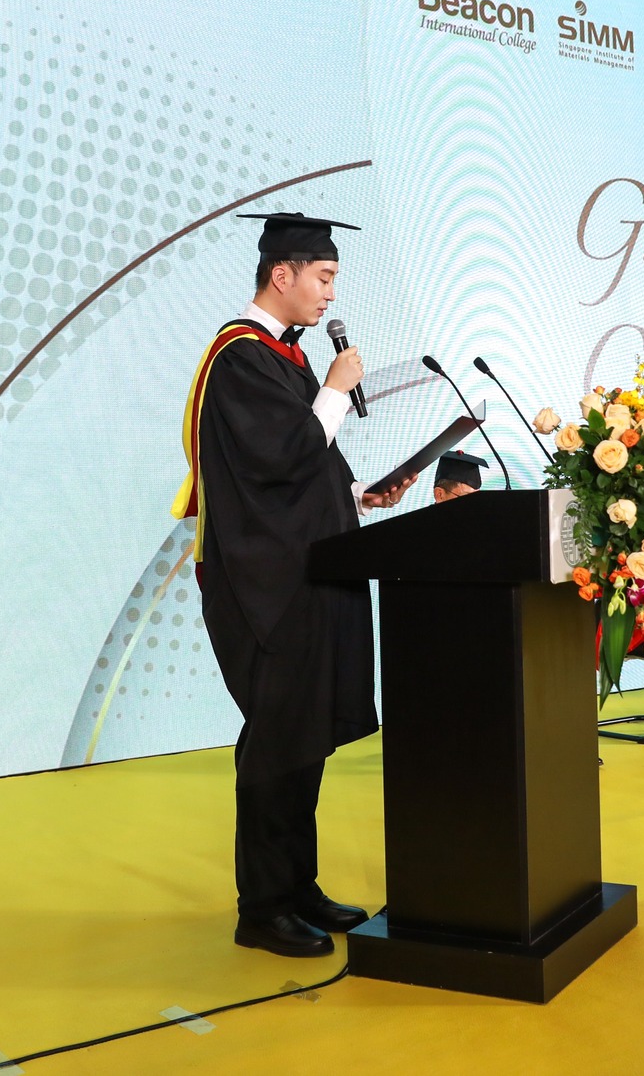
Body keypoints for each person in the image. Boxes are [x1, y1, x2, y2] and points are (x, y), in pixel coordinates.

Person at [174, 211, 415, 959]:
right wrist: (336, 389)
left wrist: (359, 495)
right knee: (279, 739)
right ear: (282, 274)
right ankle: (262, 907)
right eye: (323, 277)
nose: (330, 292)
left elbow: (305, 470)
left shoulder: (286, 356)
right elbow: (279, 458)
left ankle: (297, 886)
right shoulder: (240, 357)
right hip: (264, 591)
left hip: (306, 578)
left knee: (304, 737)